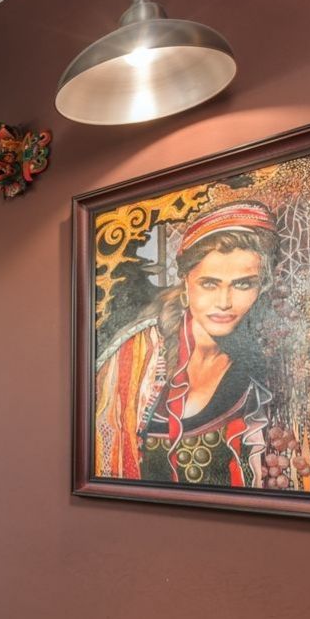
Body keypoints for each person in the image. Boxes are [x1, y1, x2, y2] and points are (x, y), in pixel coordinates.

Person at [93, 200, 278, 487]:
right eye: (209, 284)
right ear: (186, 282)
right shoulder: (137, 354)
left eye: (243, 284)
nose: (224, 302)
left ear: (261, 286)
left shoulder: (257, 372)